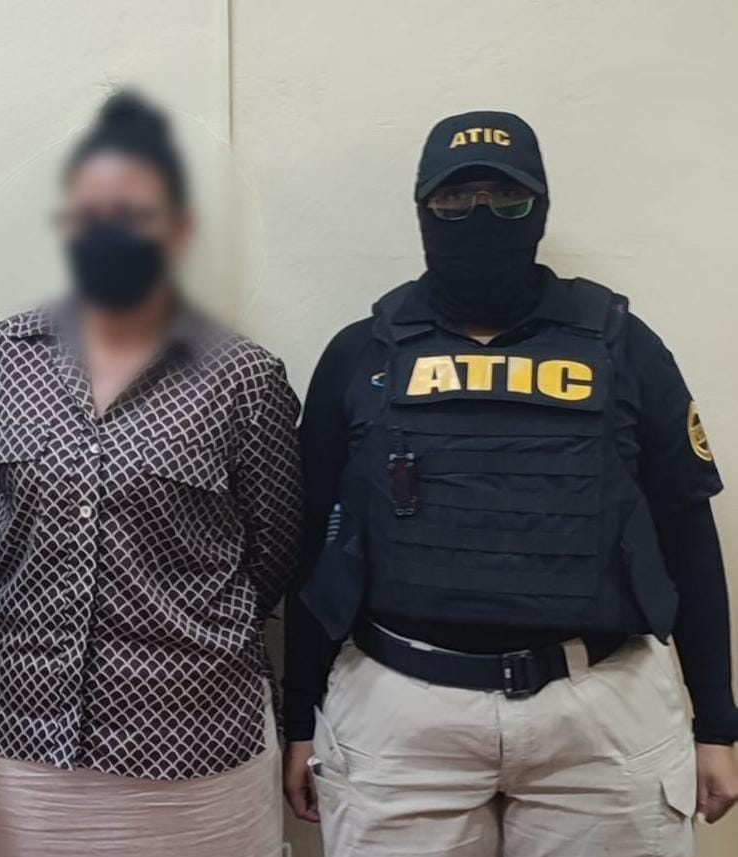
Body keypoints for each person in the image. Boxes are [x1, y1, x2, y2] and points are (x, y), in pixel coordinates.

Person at [282, 110, 738, 856]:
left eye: (507, 198)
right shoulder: (361, 352)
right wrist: (299, 713)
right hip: (400, 711)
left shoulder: (623, 344)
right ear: (423, 209)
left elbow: (686, 532)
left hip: (602, 711)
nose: (481, 214)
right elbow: (312, 544)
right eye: (455, 199)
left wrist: (717, 721)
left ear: (542, 207)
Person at [0, 91, 302, 857]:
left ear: (177, 228)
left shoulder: (241, 375)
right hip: (26, 739)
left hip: (197, 737)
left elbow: (275, 552)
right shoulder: (3, 358)